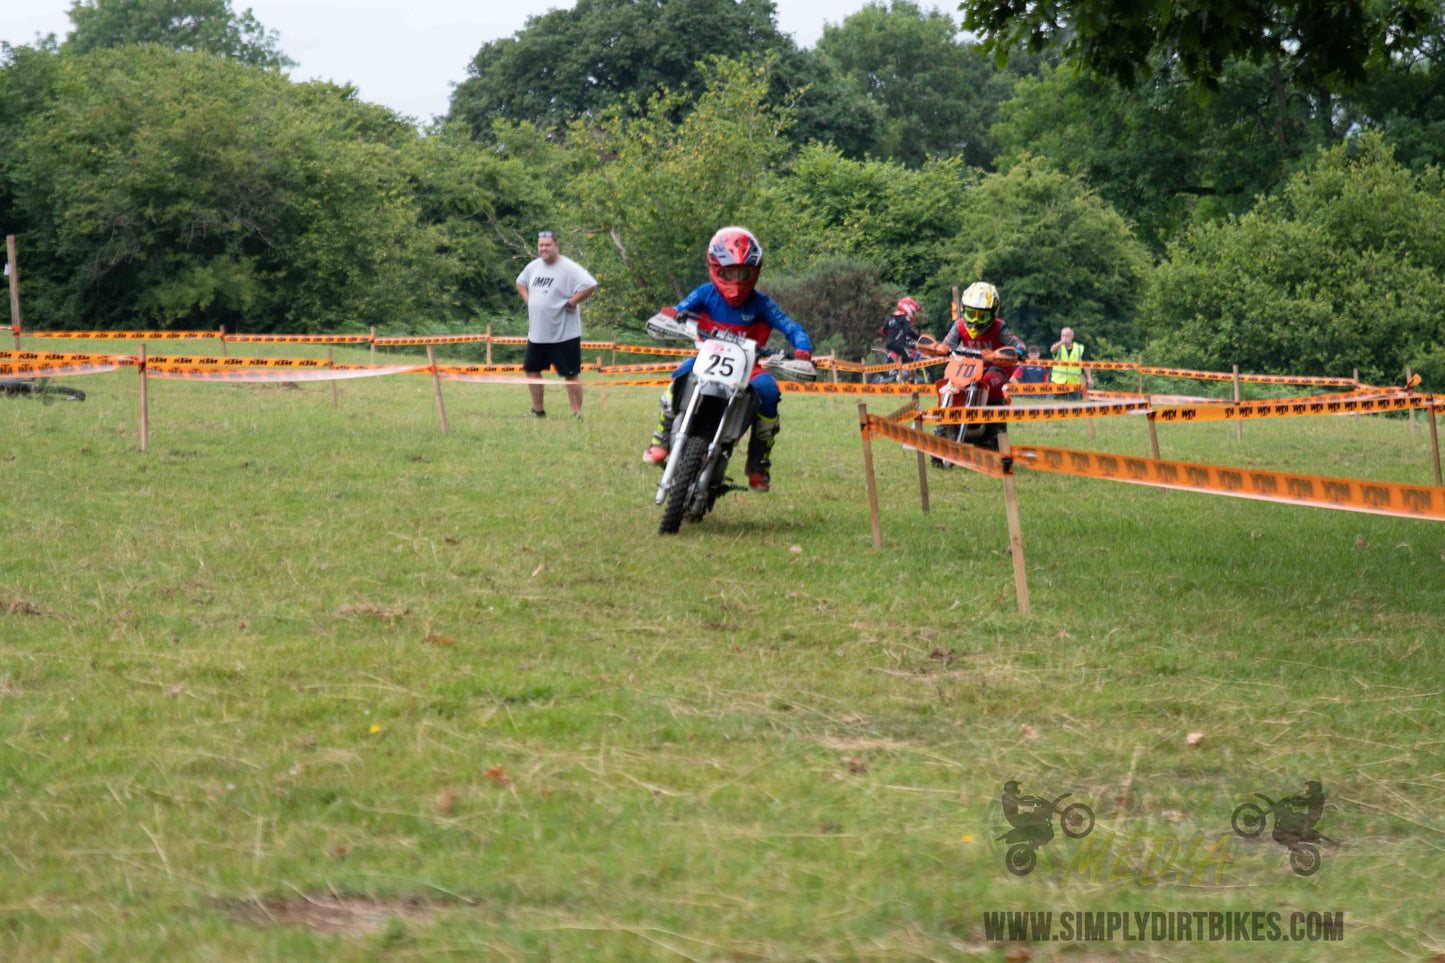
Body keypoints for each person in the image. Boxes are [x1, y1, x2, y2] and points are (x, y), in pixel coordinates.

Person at [640, 226, 812, 493]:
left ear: (754, 273)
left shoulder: (761, 303)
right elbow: (679, 309)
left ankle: (758, 462)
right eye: (728, 273)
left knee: (769, 392)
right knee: (679, 377)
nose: (736, 281)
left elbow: (792, 327)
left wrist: (802, 349)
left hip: (748, 367)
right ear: (715, 269)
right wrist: (669, 317)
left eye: (743, 274)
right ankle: (661, 439)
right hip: (707, 357)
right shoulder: (705, 293)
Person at [922, 281, 1025, 461]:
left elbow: (1018, 344)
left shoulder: (999, 327)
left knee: (990, 382)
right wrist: (940, 348)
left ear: (993, 314)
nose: (975, 321)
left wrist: (1017, 352)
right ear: (963, 310)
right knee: (949, 379)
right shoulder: (960, 325)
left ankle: (996, 427)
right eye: (971, 314)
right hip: (968, 366)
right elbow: (948, 343)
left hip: (996, 366)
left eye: (982, 316)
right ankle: (948, 421)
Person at [515, 230, 598, 419]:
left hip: (564, 334)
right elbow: (520, 282)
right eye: (540, 245)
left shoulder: (568, 267)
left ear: (556, 246)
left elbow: (590, 285)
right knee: (531, 370)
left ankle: (577, 414)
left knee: (570, 374)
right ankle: (538, 411)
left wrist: (572, 302)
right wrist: (530, 301)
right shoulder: (533, 267)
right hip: (537, 334)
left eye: (547, 245)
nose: (543, 249)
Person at [1049, 327, 1094, 397]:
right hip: (1057, 380)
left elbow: (1086, 364)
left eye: (1067, 336)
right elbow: (1052, 350)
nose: (1064, 338)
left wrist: (1089, 377)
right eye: (1062, 336)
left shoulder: (1080, 348)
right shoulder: (1058, 346)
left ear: (1072, 337)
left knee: (1075, 405)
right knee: (1050, 403)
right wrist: (1061, 342)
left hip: (1074, 381)